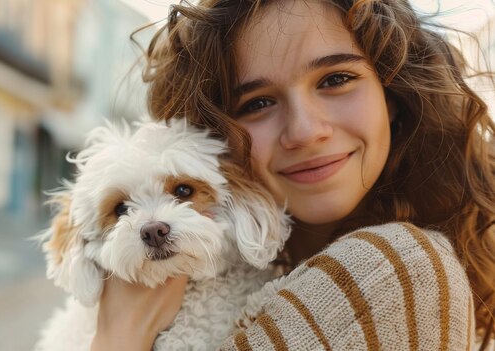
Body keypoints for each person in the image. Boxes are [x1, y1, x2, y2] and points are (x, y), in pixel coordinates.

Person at [91, 0, 495, 349]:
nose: (304, 131)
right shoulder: (213, 280)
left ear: (392, 95)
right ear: (214, 134)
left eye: (336, 79)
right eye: (257, 102)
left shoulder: (395, 267)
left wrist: (119, 335)